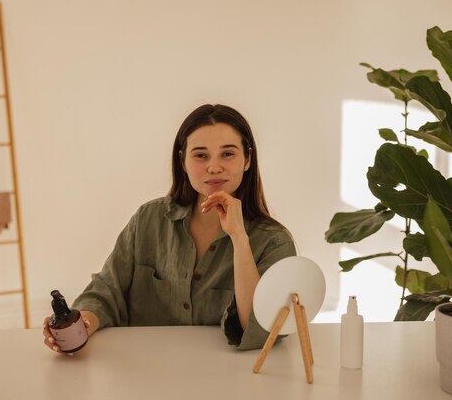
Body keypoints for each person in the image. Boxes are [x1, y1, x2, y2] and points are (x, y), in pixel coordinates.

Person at [43, 103, 296, 352]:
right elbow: (106, 291)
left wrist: (239, 238)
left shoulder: (275, 242)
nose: (214, 167)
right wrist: (82, 325)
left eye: (228, 154)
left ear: (247, 159)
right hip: (146, 375)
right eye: (201, 155)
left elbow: (260, 331)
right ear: (183, 161)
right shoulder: (148, 219)